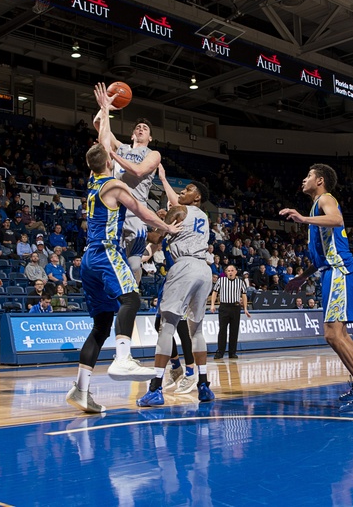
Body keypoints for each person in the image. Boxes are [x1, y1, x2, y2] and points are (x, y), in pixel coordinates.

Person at [64, 136, 180, 414]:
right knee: (132, 299)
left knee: (102, 325)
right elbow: (142, 213)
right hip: (106, 252)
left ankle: (81, 389)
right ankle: (123, 357)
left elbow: (101, 148)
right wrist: (168, 228)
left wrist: (105, 111)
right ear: (108, 163)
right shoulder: (115, 185)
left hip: (88, 259)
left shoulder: (92, 182)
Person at [280, 163, 353, 414]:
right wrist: (302, 277)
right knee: (340, 334)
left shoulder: (326, 199)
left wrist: (302, 219)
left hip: (339, 270)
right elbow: (320, 257)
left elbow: (337, 219)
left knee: (332, 334)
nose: (303, 180)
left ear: (320, 180)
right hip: (330, 271)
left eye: (308, 176)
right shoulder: (317, 207)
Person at [137, 178, 215, 407]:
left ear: (197, 197)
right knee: (197, 330)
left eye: (188, 189)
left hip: (184, 267)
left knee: (166, 327)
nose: (182, 191)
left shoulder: (180, 210)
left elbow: (155, 238)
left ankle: (155, 388)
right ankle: (203, 385)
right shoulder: (205, 218)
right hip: (204, 269)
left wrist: (138, 224)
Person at [94, 82, 162, 283]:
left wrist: (112, 154)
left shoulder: (153, 154)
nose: (141, 129)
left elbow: (138, 170)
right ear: (132, 134)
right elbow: (99, 125)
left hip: (135, 211)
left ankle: (134, 293)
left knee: (133, 264)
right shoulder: (122, 147)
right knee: (111, 260)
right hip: (114, 209)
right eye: (138, 128)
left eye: (145, 128)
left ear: (150, 137)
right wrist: (105, 107)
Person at [210, 265, 250, 359]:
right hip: (224, 307)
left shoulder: (240, 282)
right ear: (226, 272)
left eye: (232, 270)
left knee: (234, 331)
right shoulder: (221, 280)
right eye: (228, 271)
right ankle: (220, 352)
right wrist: (212, 305)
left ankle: (232, 352)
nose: (230, 272)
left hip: (235, 307)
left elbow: (244, 295)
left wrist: (245, 308)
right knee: (222, 330)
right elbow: (215, 292)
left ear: (236, 272)